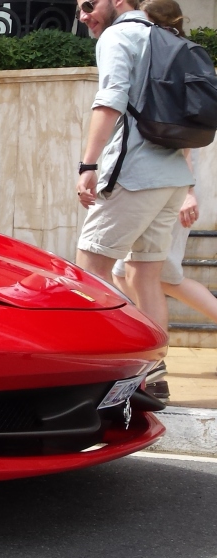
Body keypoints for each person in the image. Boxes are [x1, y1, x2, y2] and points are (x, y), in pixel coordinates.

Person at [75, 0, 195, 348]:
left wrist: (89, 165)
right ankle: (152, 373)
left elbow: (110, 100)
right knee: (144, 277)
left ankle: (105, 366)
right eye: (78, 10)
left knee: (91, 272)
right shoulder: (163, 35)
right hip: (171, 176)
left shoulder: (117, 36)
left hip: (134, 173)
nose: (83, 16)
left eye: (88, 4)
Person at [107, 0, 205, 401]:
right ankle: (153, 364)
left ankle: (148, 364)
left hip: (165, 184)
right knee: (134, 273)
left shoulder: (159, 56)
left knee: (162, 276)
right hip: (172, 183)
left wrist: (190, 192)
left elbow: (179, 140)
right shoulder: (173, 56)